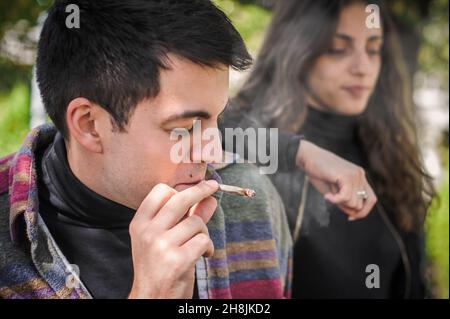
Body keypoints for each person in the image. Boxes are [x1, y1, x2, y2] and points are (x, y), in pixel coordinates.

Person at [1, 0, 374, 299]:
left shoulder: (250, 202)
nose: (212, 154)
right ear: (89, 125)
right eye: (184, 129)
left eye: (216, 119)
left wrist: (298, 151)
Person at [221, 0, 435, 298]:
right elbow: (200, 135)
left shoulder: (389, 150)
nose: (363, 67)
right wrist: (300, 153)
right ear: (297, 51)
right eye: (338, 49)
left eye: (373, 50)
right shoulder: (246, 136)